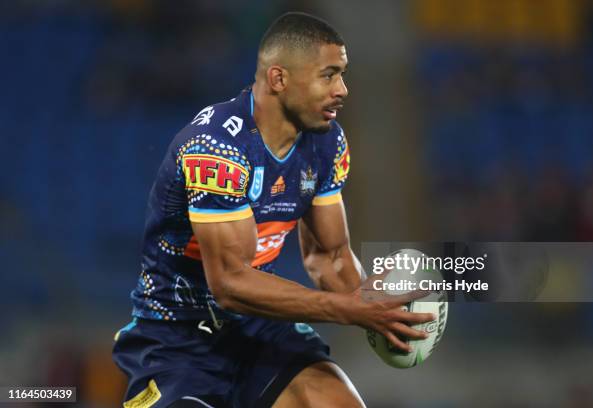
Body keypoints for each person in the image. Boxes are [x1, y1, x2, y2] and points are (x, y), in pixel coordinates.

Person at [112, 12, 434, 408]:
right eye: (329, 75)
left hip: (260, 327)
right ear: (279, 79)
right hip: (177, 339)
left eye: (343, 74)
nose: (343, 89)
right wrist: (346, 310)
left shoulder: (326, 142)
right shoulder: (216, 148)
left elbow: (329, 258)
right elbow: (230, 284)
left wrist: (376, 307)